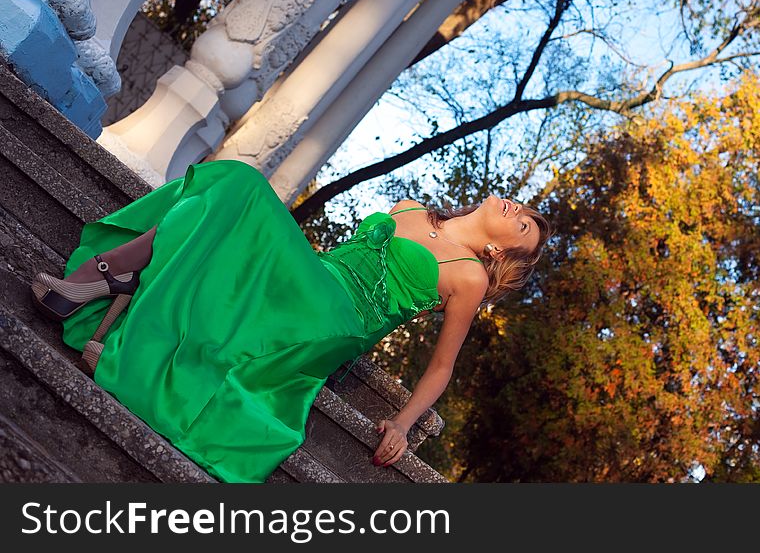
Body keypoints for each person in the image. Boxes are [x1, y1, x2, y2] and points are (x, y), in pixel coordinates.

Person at [30, 159, 552, 482]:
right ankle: (113, 284)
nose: (516, 210)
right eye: (522, 207)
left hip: (336, 320)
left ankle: (106, 285)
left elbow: (441, 366)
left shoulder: (468, 277)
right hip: (309, 279)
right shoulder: (412, 206)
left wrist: (403, 421)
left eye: (523, 226)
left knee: (243, 190)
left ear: (498, 251)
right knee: (232, 184)